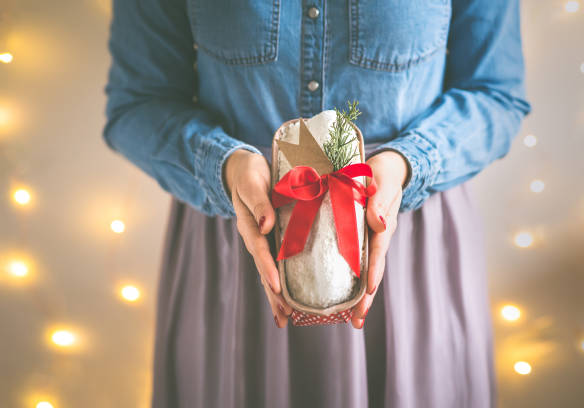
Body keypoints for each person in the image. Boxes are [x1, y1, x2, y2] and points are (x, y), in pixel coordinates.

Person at [104, 0, 530, 406]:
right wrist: (225, 165)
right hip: (237, 247)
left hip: (407, 248)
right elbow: (137, 105)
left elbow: (495, 94)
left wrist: (408, 163)